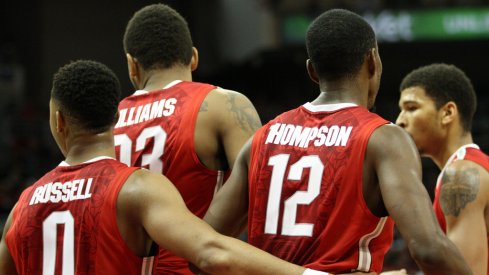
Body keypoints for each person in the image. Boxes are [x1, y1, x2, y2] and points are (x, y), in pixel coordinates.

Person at [0, 59, 348, 275]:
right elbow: (211, 253)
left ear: (58, 121)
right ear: (116, 116)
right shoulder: (137, 188)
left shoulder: (21, 208)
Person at [204, 9, 472, 274]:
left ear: (312, 70)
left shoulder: (261, 138)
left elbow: (204, 250)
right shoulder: (382, 138)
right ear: (372, 61)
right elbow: (429, 250)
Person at [113, 4, 261, 273]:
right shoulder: (222, 105)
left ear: (132, 65)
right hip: (198, 264)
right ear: (193, 57)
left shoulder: (107, 122)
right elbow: (261, 197)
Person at [396, 63, 488, 274]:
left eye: (411, 108)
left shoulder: (462, 175)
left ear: (447, 113)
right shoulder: (472, 167)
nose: (399, 121)